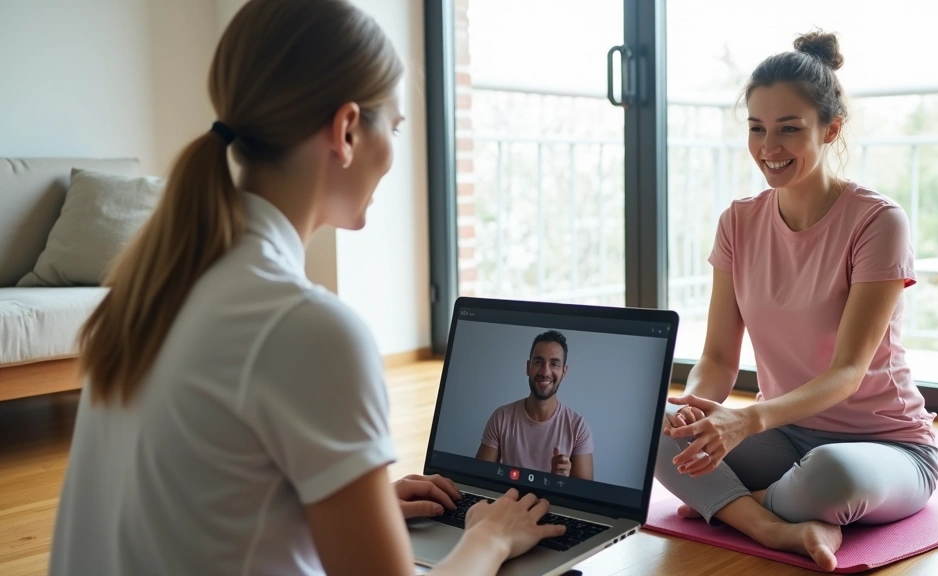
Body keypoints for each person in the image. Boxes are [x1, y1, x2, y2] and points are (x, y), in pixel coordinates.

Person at [47, 1, 566, 575]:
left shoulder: (153, 288)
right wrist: (490, 538)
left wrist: (332, 507)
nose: (393, 152)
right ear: (346, 130)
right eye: (392, 128)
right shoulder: (305, 329)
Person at [656, 30, 938, 573]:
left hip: (886, 447)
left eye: (789, 129)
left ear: (831, 129)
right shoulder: (738, 222)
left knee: (832, 475)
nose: (769, 147)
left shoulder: (878, 222)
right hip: (784, 434)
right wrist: (693, 410)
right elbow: (717, 356)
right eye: (757, 129)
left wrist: (747, 421)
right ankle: (773, 524)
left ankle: (738, 503)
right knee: (655, 424)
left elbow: (849, 372)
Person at [476, 330, 595, 480]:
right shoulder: (501, 417)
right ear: (528, 367)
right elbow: (479, 478)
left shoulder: (578, 427)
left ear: (564, 372)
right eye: (538, 362)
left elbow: (583, 497)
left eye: (554, 364)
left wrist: (564, 479)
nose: (545, 372)